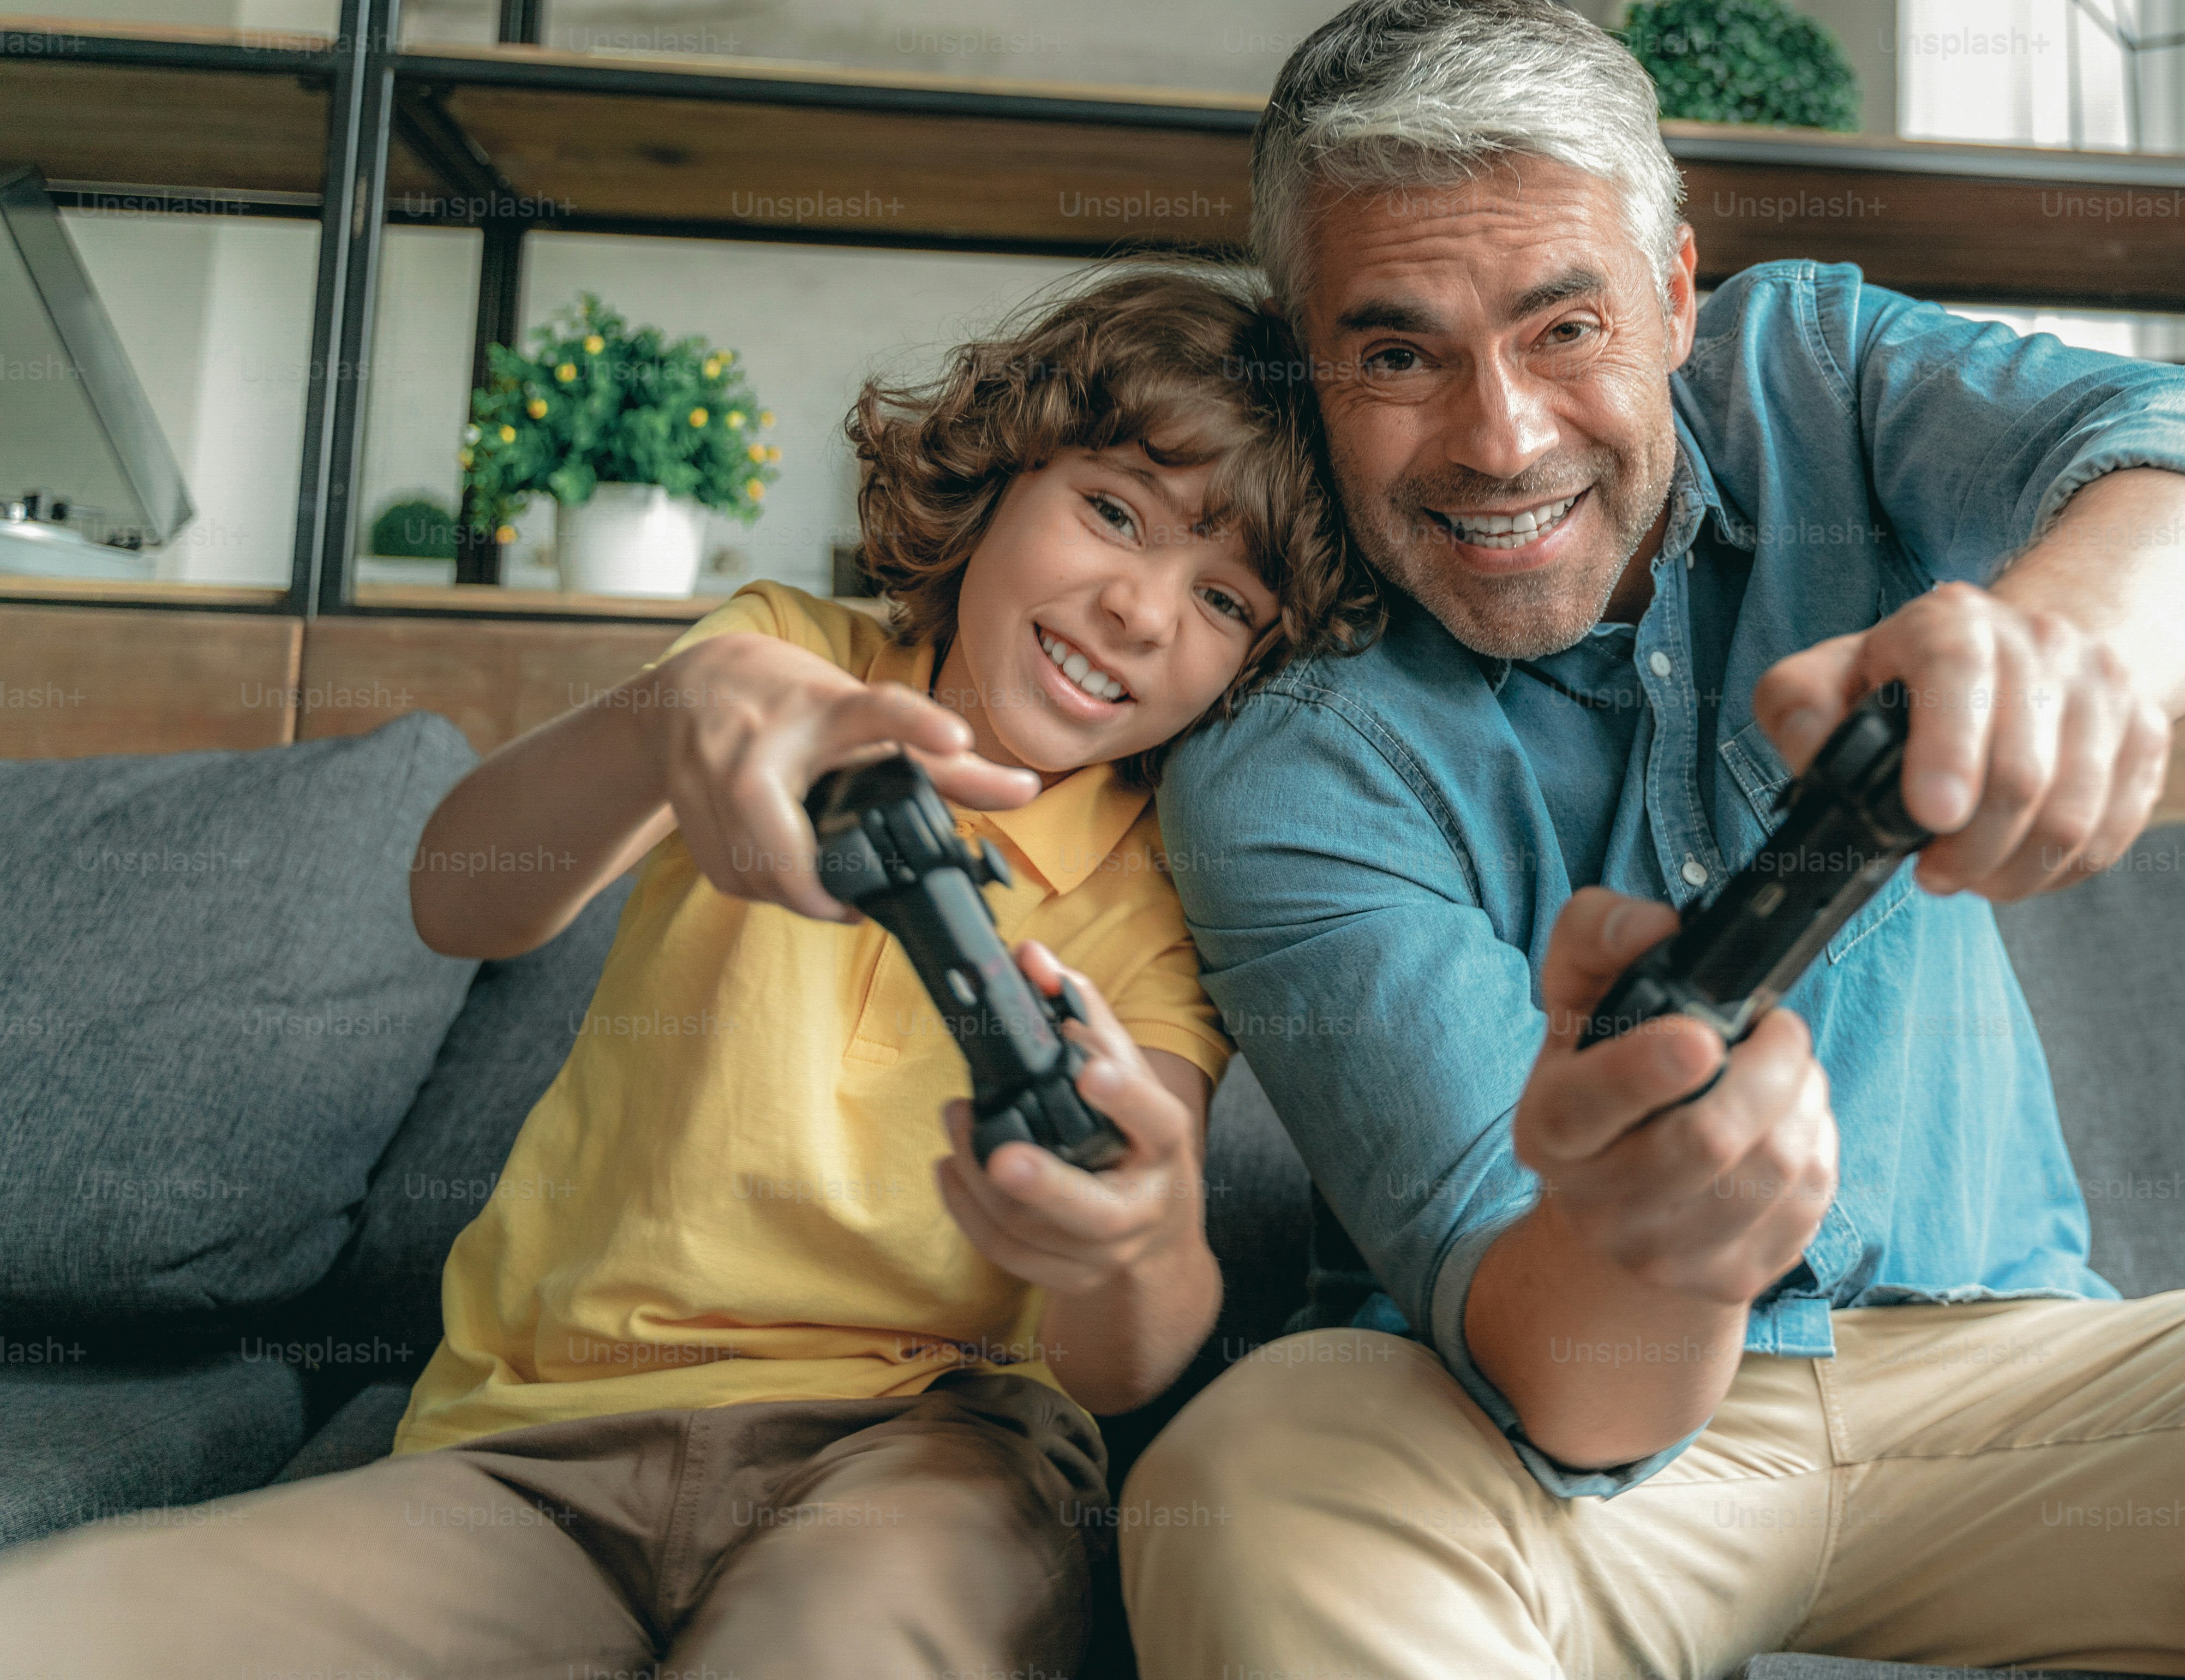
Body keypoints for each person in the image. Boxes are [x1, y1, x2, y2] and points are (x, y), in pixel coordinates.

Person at [1127, 0, 2185, 1680]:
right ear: (1305, 362)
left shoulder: (1815, 375)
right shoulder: (1285, 761)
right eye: (1397, 353)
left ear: (1678, 291)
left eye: (1569, 329)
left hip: (2020, 1386)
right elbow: (1563, 1382)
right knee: (1255, 1477)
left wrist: (2071, 648)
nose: (1503, 441)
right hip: (1529, 1444)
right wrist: (1670, 1248)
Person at [0, 260, 1373, 1679]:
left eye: (1225, 600)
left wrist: (1133, 1241)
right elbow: (460, 902)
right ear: (1004, 474)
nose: (1143, 608)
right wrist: (678, 713)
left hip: (925, 1460)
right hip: (529, 1454)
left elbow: (1123, 1361)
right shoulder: (777, 654)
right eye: (1113, 511)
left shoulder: (1168, 888)